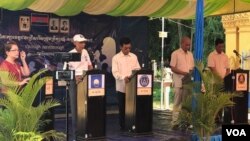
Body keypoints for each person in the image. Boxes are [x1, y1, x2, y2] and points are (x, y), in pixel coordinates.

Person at [63, 34, 93, 140]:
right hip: (74, 83)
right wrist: (75, 77)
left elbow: (90, 65)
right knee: (75, 107)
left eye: (84, 42)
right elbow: (66, 71)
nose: (83, 44)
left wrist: (89, 70)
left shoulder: (85, 52)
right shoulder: (70, 54)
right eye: (80, 42)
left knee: (87, 106)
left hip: (86, 80)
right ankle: (75, 133)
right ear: (74, 43)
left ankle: (86, 130)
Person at [112, 37, 141, 130]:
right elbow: (115, 72)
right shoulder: (116, 58)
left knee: (133, 107)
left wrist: (132, 76)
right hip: (122, 87)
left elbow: (138, 69)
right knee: (122, 107)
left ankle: (133, 124)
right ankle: (123, 126)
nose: (128, 50)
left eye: (129, 48)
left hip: (133, 87)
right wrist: (123, 78)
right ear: (120, 47)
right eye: (125, 48)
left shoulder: (134, 56)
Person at [170, 36, 194, 129]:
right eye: (187, 44)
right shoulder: (175, 54)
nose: (188, 46)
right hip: (179, 81)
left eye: (189, 45)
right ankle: (175, 122)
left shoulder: (190, 54)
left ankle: (186, 121)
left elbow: (191, 68)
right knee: (177, 103)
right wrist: (183, 73)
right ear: (182, 43)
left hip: (187, 81)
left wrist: (189, 73)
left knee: (186, 103)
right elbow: (173, 68)